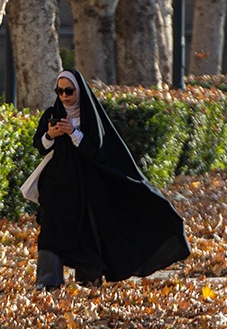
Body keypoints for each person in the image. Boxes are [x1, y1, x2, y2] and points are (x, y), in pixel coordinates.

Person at [31, 69, 191, 289]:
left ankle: (89, 278)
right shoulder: (52, 114)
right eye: (59, 91)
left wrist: (73, 133)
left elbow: (99, 150)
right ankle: (48, 282)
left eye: (69, 91)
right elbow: (39, 145)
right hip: (57, 185)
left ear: (79, 90)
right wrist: (51, 135)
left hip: (88, 185)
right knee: (50, 230)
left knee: (87, 230)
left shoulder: (91, 116)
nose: (64, 96)